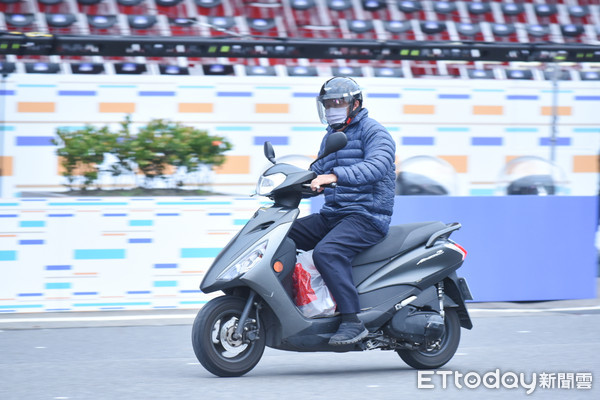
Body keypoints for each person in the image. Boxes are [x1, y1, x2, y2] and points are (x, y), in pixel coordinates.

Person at [288, 77, 396, 345]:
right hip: (335, 214)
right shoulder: (332, 136)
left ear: (355, 104)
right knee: (282, 235)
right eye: (327, 103)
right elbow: (319, 170)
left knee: (328, 251)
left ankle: (351, 320)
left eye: (338, 102)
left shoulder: (374, 132)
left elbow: (377, 166)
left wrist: (333, 177)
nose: (331, 108)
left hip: (367, 215)